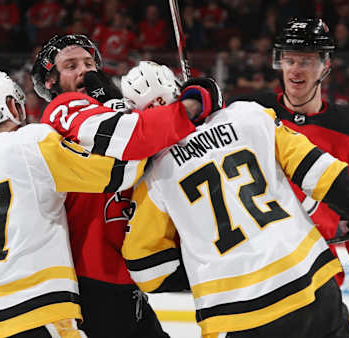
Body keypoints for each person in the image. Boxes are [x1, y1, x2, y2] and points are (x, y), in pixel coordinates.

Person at [0, 66, 202, 338]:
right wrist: (161, 123)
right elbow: (117, 171)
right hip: (39, 316)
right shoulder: (31, 143)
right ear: (12, 107)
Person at [120, 66, 349, 337]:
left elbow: (148, 268)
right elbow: (318, 169)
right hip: (310, 282)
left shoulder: (153, 176)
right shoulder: (248, 115)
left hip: (239, 312)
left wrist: (200, 264)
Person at [31, 35, 218, 338]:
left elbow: (155, 141)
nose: (85, 71)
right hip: (91, 276)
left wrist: (173, 103)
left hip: (126, 277)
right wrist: (192, 105)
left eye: (90, 64)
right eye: (71, 65)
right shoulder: (62, 110)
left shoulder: (115, 110)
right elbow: (131, 136)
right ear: (51, 81)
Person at [226, 17, 349, 335]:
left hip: (320, 283)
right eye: (289, 59)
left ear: (326, 65)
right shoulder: (248, 114)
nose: (294, 70)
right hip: (254, 281)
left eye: (306, 61)